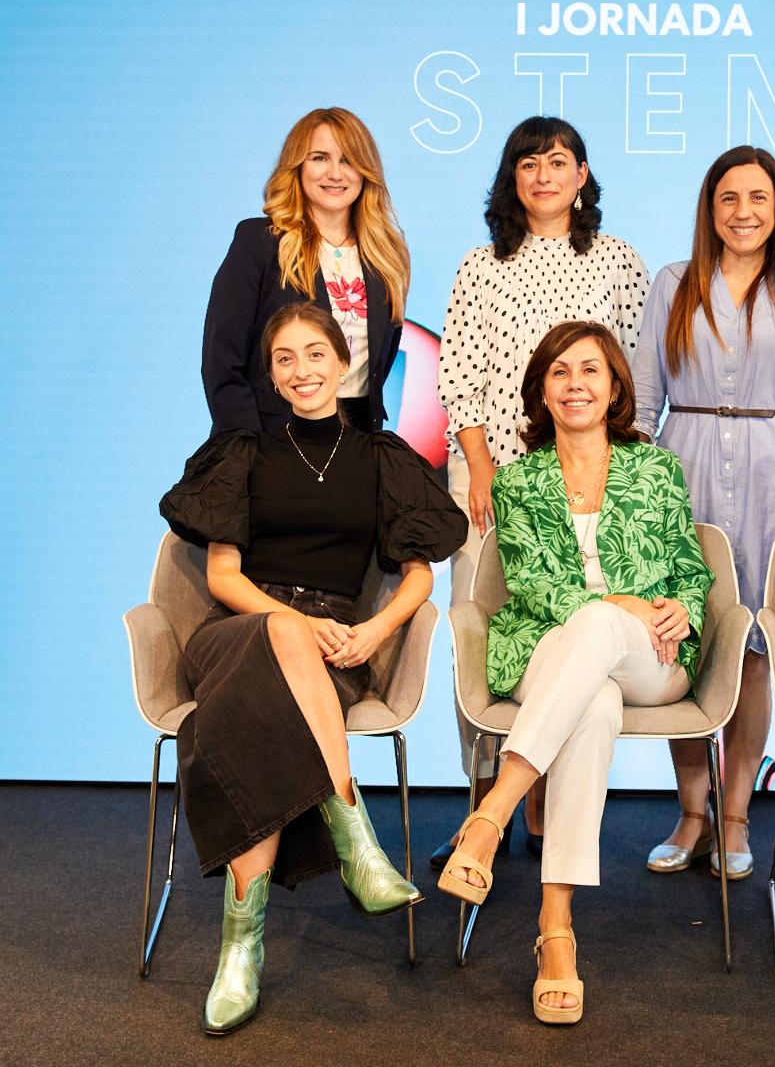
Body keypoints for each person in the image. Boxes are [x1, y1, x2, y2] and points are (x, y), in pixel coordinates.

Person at [160, 303, 466, 1035]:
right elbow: (227, 579)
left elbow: (418, 577)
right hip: (236, 632)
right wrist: (289, 621)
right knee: (281, 638)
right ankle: (355, 837)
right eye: (284, 360)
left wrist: (373, 631)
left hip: (334, 648)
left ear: (343, 363)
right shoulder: (245, 453)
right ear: (271, 375)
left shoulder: (382, 457)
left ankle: (241, 947)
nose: (301, 371)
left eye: (314, 355)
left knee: (248, 722)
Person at [436, 321, 713, 1024]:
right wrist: (610, 603)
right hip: (550, 652)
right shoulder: (519, 480)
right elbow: (532, 587)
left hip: (651, 654)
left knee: (597, 632)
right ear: (541, 391)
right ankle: (555, 931)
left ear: (616, 385)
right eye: (559, 372)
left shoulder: (656, 468)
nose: (575, 384)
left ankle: (492, 815)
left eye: (590, 370)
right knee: (591, 698)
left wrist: (682, 607)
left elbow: (691, 567)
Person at [434, 116, 650, 863]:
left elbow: (633, 375)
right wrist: (483, 469)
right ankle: (483, 792)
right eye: (528, 164)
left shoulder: (619, 260)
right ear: (511, 178)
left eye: (558, 162)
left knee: (579, 620)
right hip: (494, 473)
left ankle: (537, 799)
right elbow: (457, 377)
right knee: (491, 620)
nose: (544, 176)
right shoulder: (481, 264)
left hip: (594, 472)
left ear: (582, 175)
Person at [632, 146, 775, 879]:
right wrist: (637, 494)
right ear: (709, 209)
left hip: (774, 472)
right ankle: (691, 811)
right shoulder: (673, 283)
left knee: (752, 646)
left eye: (758, 197)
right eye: (729, 198)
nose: (743, 212)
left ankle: (734, 815)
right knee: (681, 637)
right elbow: (642, 399)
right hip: (680, 466)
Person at [202, 107, 410, 435]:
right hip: (269, 439)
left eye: (348, 160)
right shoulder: (259, 243)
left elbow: (377, 367)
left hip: (355, 443)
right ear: (297, 166)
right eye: (319, 158)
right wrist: (250, 450)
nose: (335, 173)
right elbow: (222, 363)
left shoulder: (386, 255)